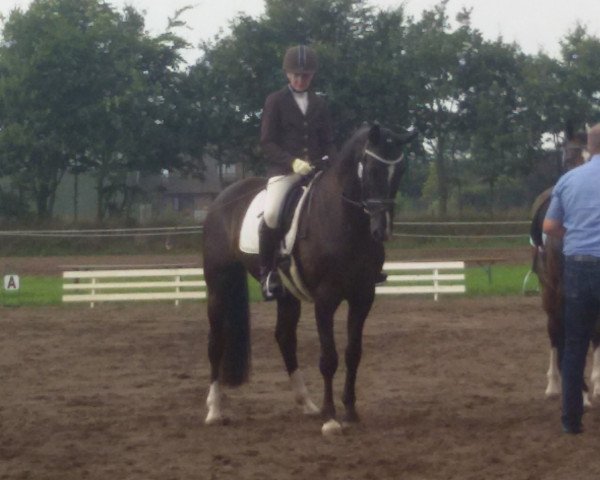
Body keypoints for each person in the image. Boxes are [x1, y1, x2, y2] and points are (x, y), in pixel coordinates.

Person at [258, 44, 337, 300]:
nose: (301, 79)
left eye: (306, 75)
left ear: (312, 76)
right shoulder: (275, 101)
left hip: (317, 171)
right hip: (285, 171)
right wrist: (292, 162)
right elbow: (267, 143)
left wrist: (329, 162)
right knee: (270, 213)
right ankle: (268, 273)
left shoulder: (320, 103)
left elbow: (328, 141)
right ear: (287, 74)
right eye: (296, 74)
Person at [543, 122, 600, 434]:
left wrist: (575, 236)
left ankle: (571, 421)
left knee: (575, 344)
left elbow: (549, 227)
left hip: (577, 268)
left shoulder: (568, 179)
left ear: (587, 148)